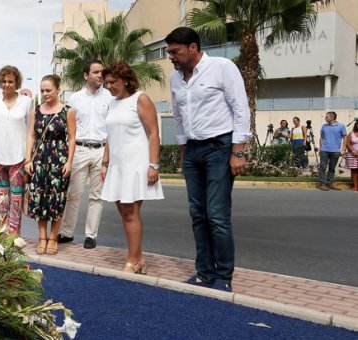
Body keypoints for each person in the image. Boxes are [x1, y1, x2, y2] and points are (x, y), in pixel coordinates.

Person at [166, 27, 251, 292]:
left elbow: (240, 107)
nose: (171, 57)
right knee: (197, 214)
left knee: (217, 215)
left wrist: (238, 151)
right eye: (169, 52)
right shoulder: (175, 79)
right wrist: (183, 150)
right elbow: (178, 116)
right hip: (192, 150)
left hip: (220, 148)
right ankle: (204, 272)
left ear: (193, 48)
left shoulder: (222, 67)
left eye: (174, 52)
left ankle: (223, 276)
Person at [100, 61, 164, 274]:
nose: (109, 86)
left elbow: (154, 133)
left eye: (113, 82)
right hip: (117, 166)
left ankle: (132, 261)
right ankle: (138, 258)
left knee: (130, 213)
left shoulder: (141, 99)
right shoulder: (112, 104)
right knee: (124, 212)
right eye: (106, 83)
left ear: (126, 80)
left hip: (136, 165)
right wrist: (105, 163)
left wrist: (153, 165)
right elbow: (110, 136)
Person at [58, 59, 114, 249]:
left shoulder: (109, 97)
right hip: (80, 150)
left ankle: (91, 235)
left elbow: (113, 126)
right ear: (86, 75)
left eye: (101, 72)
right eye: (96, 72)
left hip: (101, 150)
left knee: (97, 196)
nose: (100, 75)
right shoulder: (75, 99)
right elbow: (69, 129)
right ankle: (67, 233)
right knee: (73, 194)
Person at [24, 75, 76, 255]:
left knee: (57, 198)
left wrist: (69, 161)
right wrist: (28, 160)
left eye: (48, 90)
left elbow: (72, 138)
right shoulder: (36, 111)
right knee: (39, 198)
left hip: (59, 159)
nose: (45, 94)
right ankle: (42, 237)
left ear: (58, 90)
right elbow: (31, 135)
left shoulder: (67, 111)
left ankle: (53, 238)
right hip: (39, 159)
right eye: (42, 91)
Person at [0, 65, 33, 234]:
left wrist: (28, 158)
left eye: (11, 81)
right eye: (4, 81)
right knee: (0, 199)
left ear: (17, 82)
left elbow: (30, 132)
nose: (7, 84)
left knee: (16, 200)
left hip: (18, 158)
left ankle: (13, 236)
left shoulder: (26, 102)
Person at [318, 111, 347, 191]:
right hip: (324, 150)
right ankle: (322, 184)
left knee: (332, 168)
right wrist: (320, 148)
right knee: (322, 167)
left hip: (335, 150)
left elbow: (345, 137)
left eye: (326, 117)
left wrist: (343, 149)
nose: (325, 118)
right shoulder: (324, 126)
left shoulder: (341, 126)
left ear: (332, 117)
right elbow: (322, 137)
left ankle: (330, 183)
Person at [343, 121, 358, 191]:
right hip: (353, 155)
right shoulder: (351, 134)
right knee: (354, 170)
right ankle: (355, 186)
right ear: (356, 125)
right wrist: (353, 151)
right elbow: (347, 143)